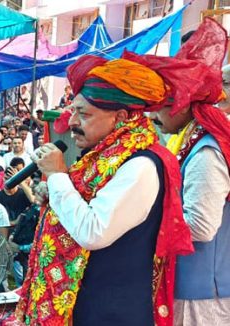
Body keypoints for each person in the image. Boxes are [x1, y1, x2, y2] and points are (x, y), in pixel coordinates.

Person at [15, 54, 194, 325]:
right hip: (86, 307)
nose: (72, 121)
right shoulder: (100, 158)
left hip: (112, 312)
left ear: (120, 117)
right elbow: (80, 205)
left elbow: (93, 231)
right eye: (73, 110)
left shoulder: (141, 165)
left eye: (83, 114)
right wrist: (53, 192)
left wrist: (58, 176)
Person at [141, 19, 230, 325]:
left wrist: (144, 222)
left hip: (203, 295)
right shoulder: (194, 140)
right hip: (196, 288)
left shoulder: (207, 150)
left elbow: (202, 227)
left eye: (162, 104)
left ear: (182, 103)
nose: (153, 114)